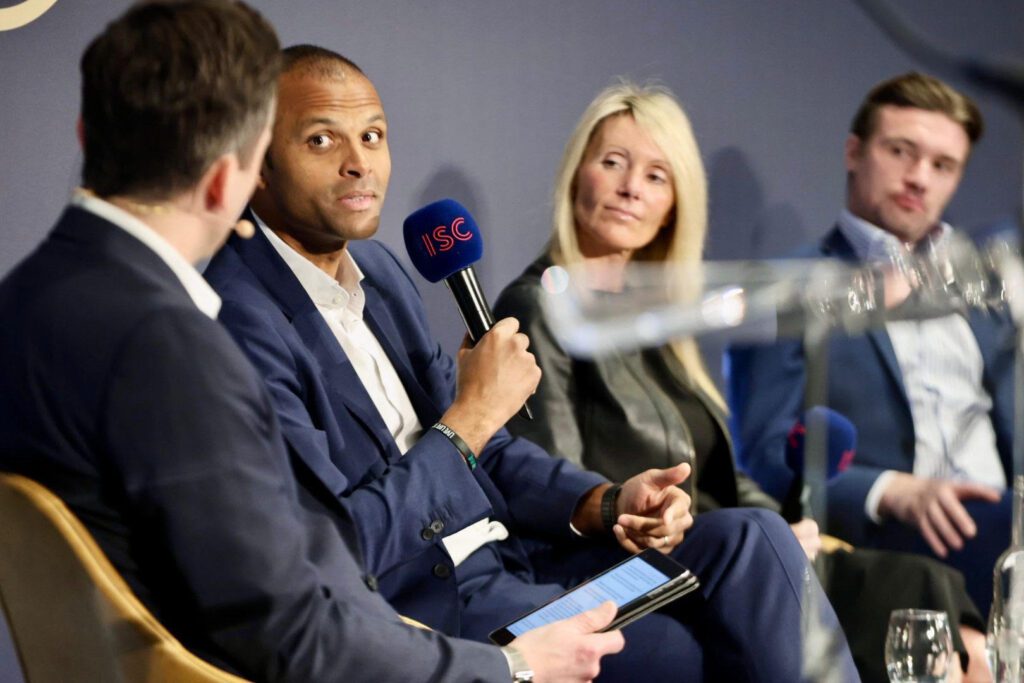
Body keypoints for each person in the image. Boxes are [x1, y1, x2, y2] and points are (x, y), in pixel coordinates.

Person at [0, 3, 628, 682]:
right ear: (244, 169)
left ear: (85, 132)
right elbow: (298, 633)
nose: (357, 163)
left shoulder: (24, 299)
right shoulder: (173, 346)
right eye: (320, 141)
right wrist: (510, 668)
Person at [203, 45, 859, 682]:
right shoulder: (243, 319)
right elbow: (337, 548)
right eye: (322, 140)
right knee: (686, 650)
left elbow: (490, 451)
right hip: (441, 620)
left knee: (753, 537)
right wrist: (468, 420)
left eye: (373, 136)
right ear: (258, 162)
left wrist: (606, 502)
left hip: (520, 573)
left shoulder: (381, 272)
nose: (358, 164)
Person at [492, 81, 991, 683]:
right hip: (604, 570)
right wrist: (646, 512)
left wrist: (787, 530)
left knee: (919, 584)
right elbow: (552, 486)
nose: (631, 188)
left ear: (675, 203)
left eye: (656, 176)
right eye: (613, 163)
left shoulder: (655, 322)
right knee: (755, 538)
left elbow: (724, 475)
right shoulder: (539, 305)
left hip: (699, 554)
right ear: (577, 173)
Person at [726, 72, 1016, 615]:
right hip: (889, 543)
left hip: (1005, 528)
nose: (919, 178)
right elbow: (765, 454)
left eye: (943, 165)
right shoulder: (790, 285)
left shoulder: (984, 288)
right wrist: (890, 491)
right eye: (901, 151)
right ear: (854, 152)